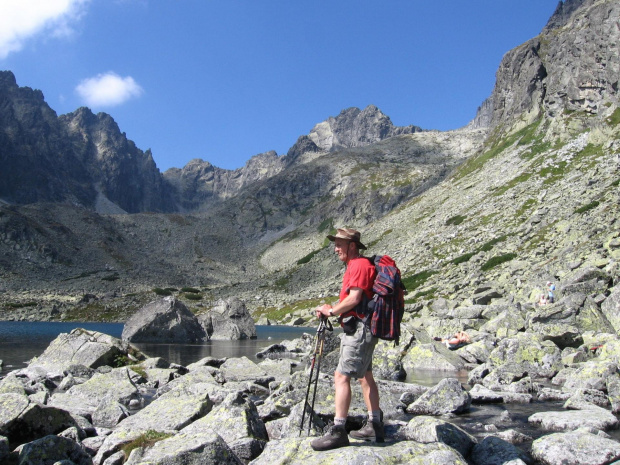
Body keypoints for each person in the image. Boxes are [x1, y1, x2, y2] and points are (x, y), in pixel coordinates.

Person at [310, 228, 382, 451]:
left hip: (360, 329)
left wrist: (331, 312)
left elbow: (355, 298)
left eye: (339, 244)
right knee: (365, 375)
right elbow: (353, 300)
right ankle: (375, 425)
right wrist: (331, 308)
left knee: (341, 376)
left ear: (352, 246)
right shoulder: (355, 266)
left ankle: (339, 430)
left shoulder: (359, 265)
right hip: (364, 328)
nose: (336, 248)